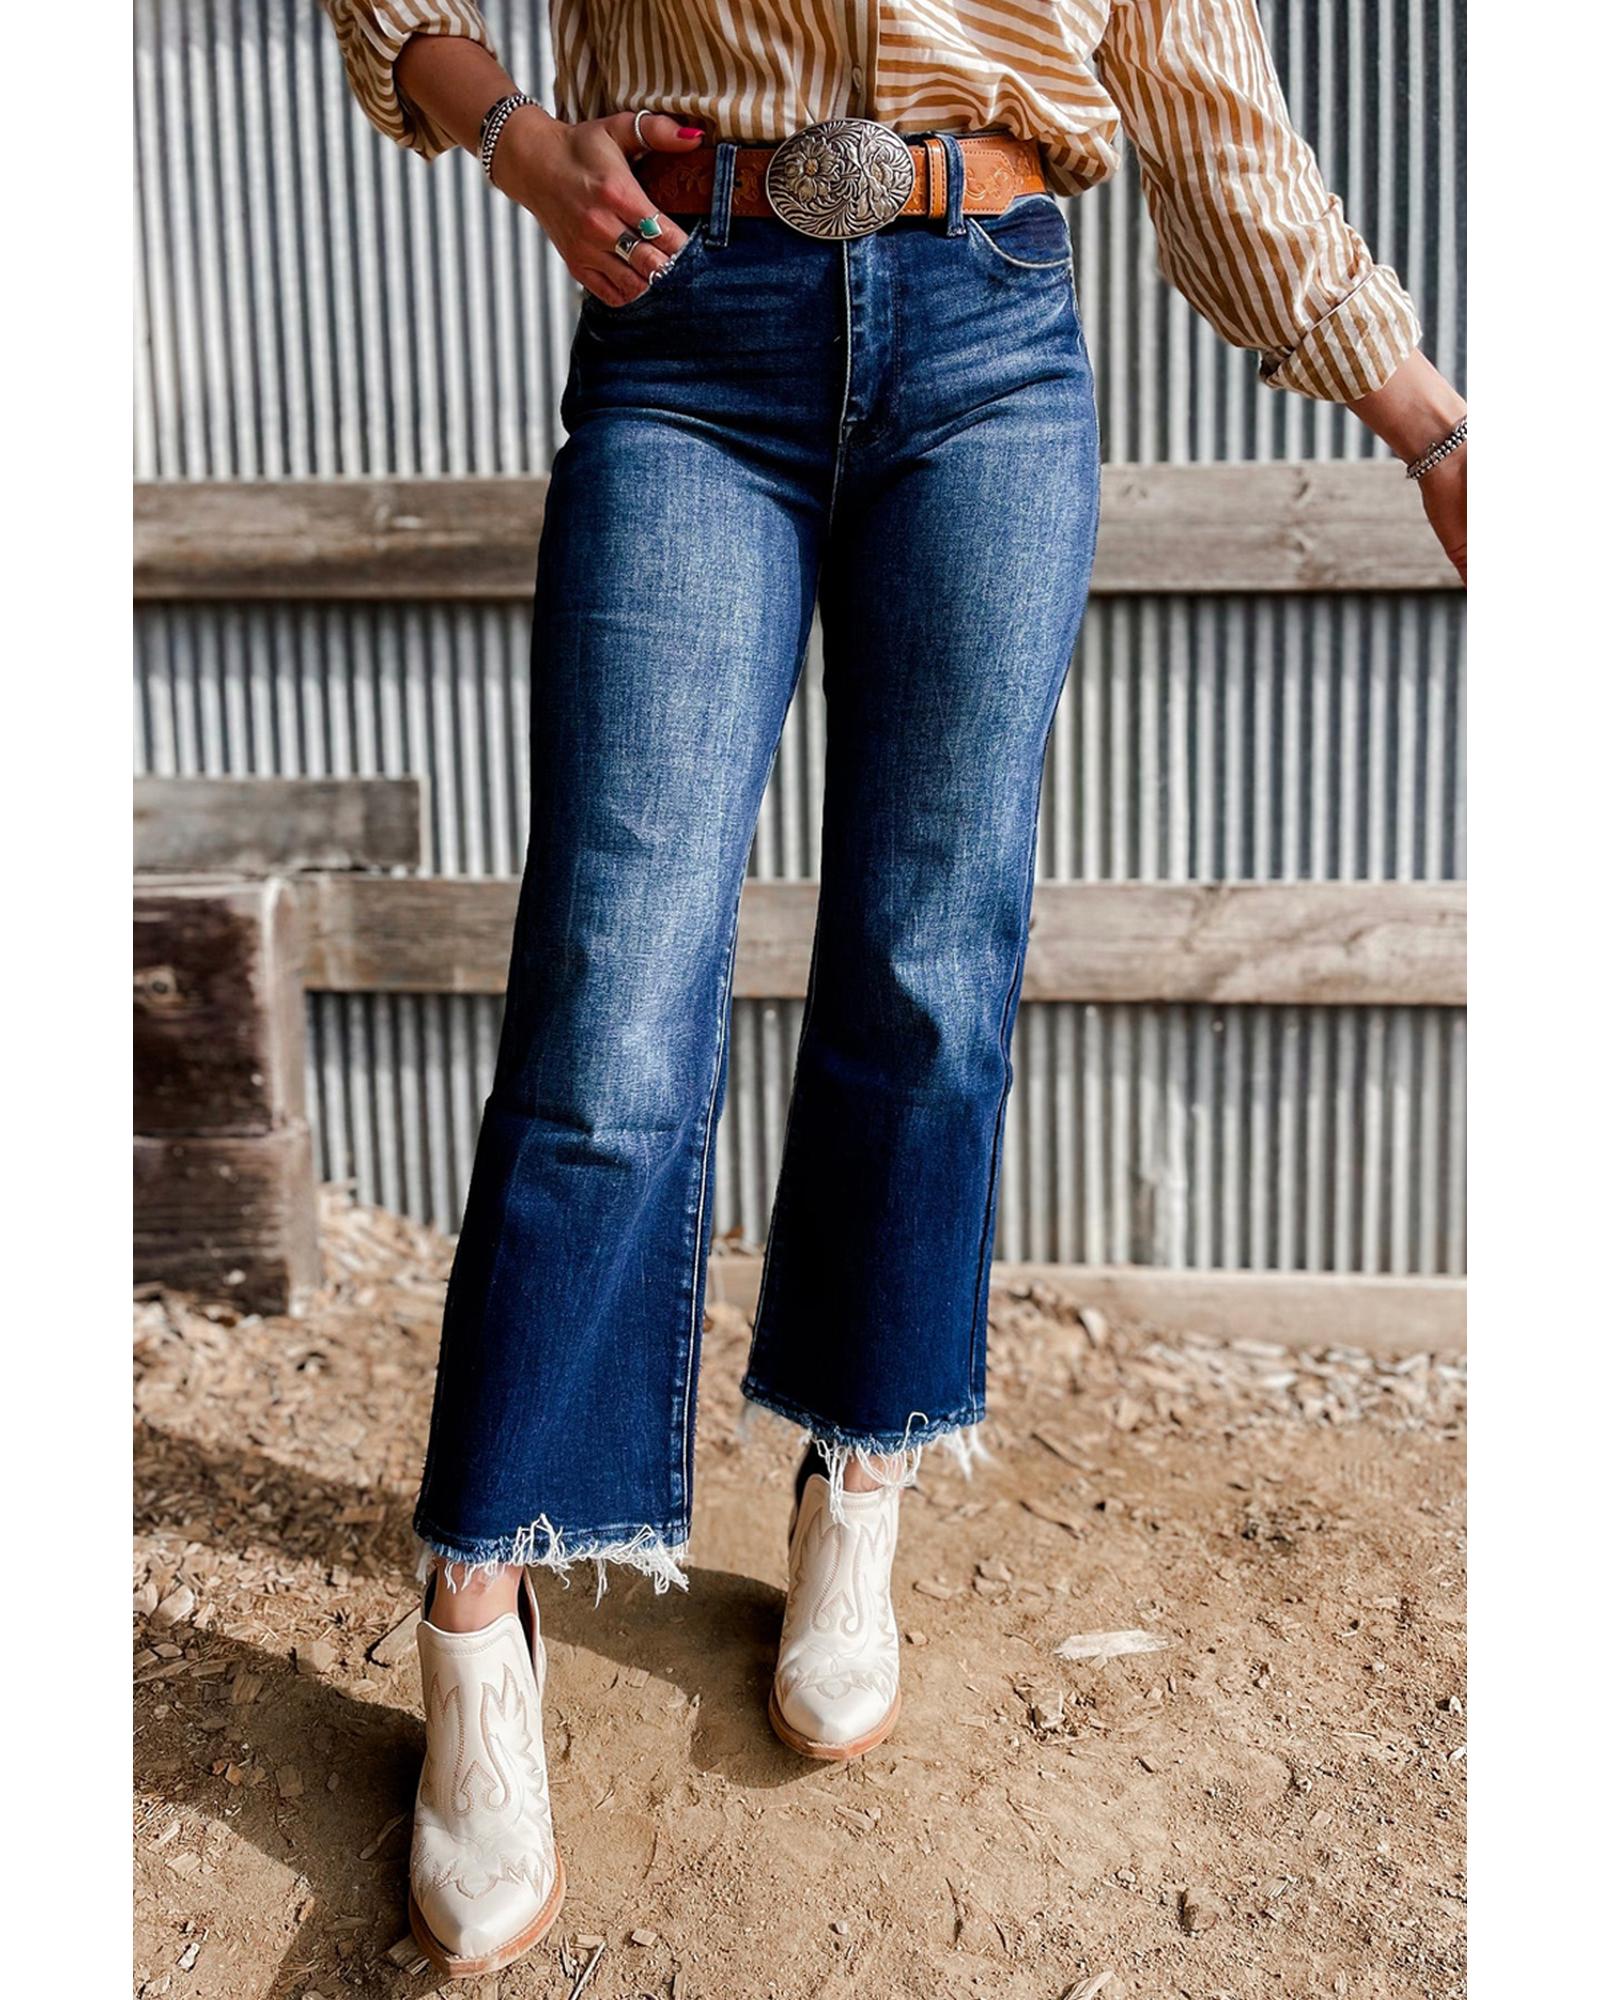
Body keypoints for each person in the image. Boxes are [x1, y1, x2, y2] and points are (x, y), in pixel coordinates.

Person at [321, 0, 1467, 1976]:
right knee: (609, 986)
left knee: (933, 964)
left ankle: (861, 1469)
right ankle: (477, 1608)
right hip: (688, 322)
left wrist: (1434, 426)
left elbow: (1206, 113)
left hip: (988, 337)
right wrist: (507, 131)